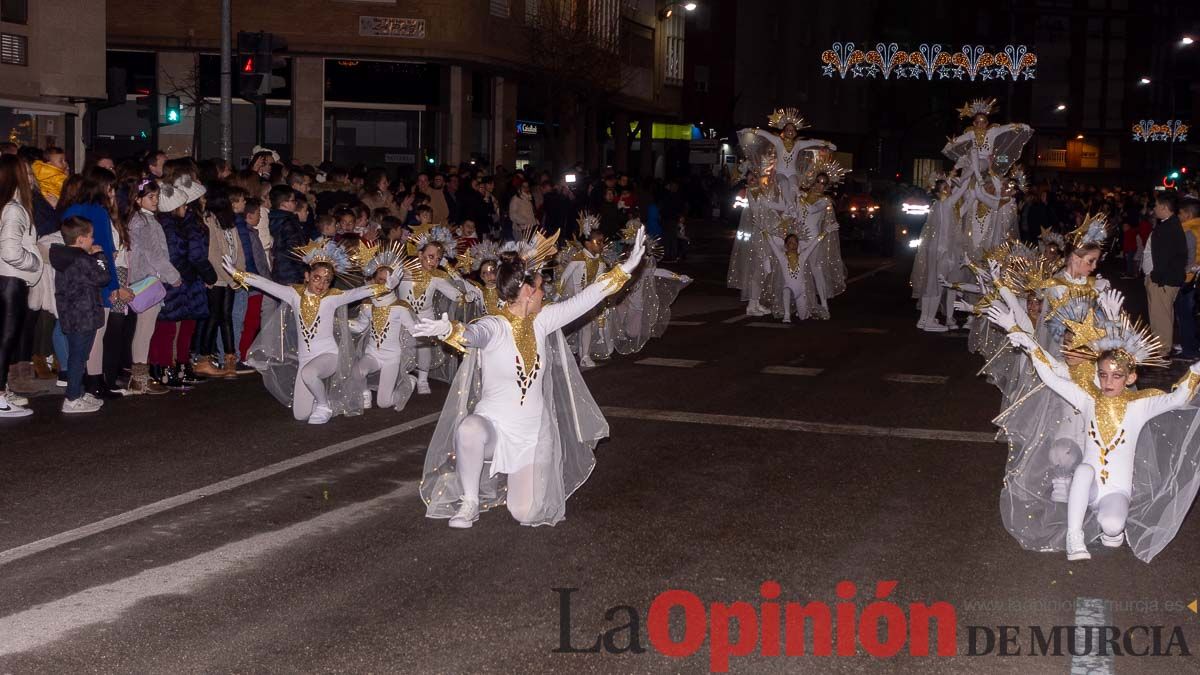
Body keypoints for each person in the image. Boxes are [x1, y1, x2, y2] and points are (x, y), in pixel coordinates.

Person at [414, 227, 645, 528]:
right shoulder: (494, 325)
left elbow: (587, 298)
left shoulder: (544, 320)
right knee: (470, 427)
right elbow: (473, 334)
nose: (544, 291)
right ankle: (469, 502)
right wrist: (449, 331)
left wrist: (624, 269)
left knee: (525, 513)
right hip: (494, 429)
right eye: (540, 287)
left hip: (532, 437)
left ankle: (514, 475)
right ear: (526, 291)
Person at [987, 302, 1200, 562]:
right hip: (1086, 485)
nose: (1109, 382)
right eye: (1104, 375)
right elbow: (1051, 378)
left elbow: (1177, 399)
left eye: (1117, 376)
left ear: (1131, 378)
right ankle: (1074, 536)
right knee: (1084, 469)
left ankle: (1110, 530)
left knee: (1112, 524)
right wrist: (1026, 340)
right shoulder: (1089, 398)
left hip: (1115, 491)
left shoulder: (1140, 405)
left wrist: (1197, 370)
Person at [230, 240, 402, 424]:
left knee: (309, 374)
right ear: (307, 276)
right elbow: (266, 284)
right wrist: (238, 274)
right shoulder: (294, 294)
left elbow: (359, 292)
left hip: (329, 356)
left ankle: (324, 405)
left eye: (327, 280)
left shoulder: (333, 297)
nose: (321, 284)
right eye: (317, 278)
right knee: (300, 414)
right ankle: (322, 400)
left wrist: (384, 287)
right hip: (306, 358)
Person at [50, 216, 114, 414]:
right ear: (80, 240)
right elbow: (103, 277)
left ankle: (77, 391)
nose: (93, 241)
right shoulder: (81, 258)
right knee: (78, 357)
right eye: (90, 237)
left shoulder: (65, 257)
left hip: (73, 314)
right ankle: (72, 398)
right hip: (83, 314)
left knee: (80, 356)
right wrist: (101, 256)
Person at [349, 242, 418, 411]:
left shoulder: (400, 308)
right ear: (372, 279)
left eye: (389, 280)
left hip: (391, 358)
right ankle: (365, 392)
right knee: (356, 371)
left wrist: (434, 330)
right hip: (372, 354)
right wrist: (340, 322)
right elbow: (359, 327)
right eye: (380, 280)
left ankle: (409, 383)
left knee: (384, 402)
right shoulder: (368, 306)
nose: (385, 284)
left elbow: (414, 330)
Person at [0, 154, 42, 416]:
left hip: (7, 280)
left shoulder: (9, 205)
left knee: (6, 340)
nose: (31, 178)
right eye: (26, 173)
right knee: (6, 340)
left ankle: (3, 389)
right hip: (11, 280)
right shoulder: (14, 209)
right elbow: (11, 251)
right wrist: (35, 263)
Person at [125, 178, 176, 394]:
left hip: (148, 278)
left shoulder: (147, 220)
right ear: (138, 200)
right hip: (144, 280)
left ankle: (140, 377)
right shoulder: (142, 222)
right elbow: (152, 253)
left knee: (147, 327)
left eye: (156, 196)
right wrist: (172, 274)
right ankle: (139, 379)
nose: (155, 200)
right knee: (145, 328)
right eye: (150, 197)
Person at [742, 108, 836, 204]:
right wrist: (749, 130)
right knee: (784, 183)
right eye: (788, 129)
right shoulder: (778, 141)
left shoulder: (798, 144)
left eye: (792, 130)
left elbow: (812, 142)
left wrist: (827, 143)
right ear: (784, 131)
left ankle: (790, 208)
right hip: (780, 173)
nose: (790, 132)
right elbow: (764, 133)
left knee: (793, 186)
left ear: (795, 132)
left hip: (792, 173)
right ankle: (790, 206)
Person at [1144, 192, 1186, 351]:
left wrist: (1155, 278)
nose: (1154, 208)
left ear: (1163, 207)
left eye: (1156, 205)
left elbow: (1163, 258)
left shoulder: (1168, 228)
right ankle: (1160, 348)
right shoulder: (1171, 225)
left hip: (1163, 281)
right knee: (1160, 317)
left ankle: (1162, 351)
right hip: (1165, 279)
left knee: (1160, 318)